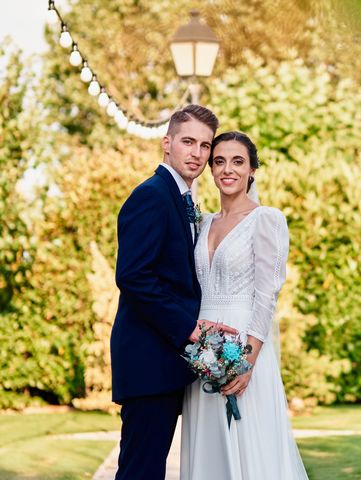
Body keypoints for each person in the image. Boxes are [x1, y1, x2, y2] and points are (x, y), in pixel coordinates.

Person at [111, 105, 237, 480]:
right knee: (140, 471)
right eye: (188, 141)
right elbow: (133, 277)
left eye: (204, 145)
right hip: (149, 361)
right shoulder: (151, 195)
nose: (197, 153)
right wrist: (191, 327)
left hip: (166, 362)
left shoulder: (181, 200)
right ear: (167, 143)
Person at [181, 131, 308, 479]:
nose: (227, 169)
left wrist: (247, 361)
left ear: (252, 169)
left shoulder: (267, 219)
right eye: (219, 161)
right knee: (209, 444)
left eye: (238, 161)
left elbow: (267, 295)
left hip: (245, 345)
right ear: (211, 169)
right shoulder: (202, 222)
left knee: (249, 442)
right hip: (201, 348)